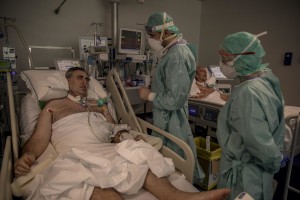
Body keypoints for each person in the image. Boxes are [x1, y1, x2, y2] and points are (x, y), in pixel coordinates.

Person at [14, 67, 231, 200]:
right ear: (67, 81)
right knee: (100, 192)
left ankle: (182, 197)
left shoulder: (97, 105)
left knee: (141, 163)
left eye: (88, 79)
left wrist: (122, 134)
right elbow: (39, 139)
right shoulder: (54, 105)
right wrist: (29, 156)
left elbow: (115, 128)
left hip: (106, 149)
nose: (86, 82)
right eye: (80, 78)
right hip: (75, 153)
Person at [216, 31, 285, 200]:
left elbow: (258, 143)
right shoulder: (263, 81)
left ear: (242, 58)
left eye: (225, 58)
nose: (222, 63)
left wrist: (275, 160)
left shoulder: (247, 94)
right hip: (255, 172)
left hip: (245, 180)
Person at [138, 11, 204, 184]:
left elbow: (175, 100)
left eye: (152, 36)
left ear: (165, 33)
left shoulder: (178, 55)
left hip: (173, 117)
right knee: (167, 158)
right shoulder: (171, 52)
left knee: (177, 159)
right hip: (165, 114)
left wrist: (149, 95)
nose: (151, 40)